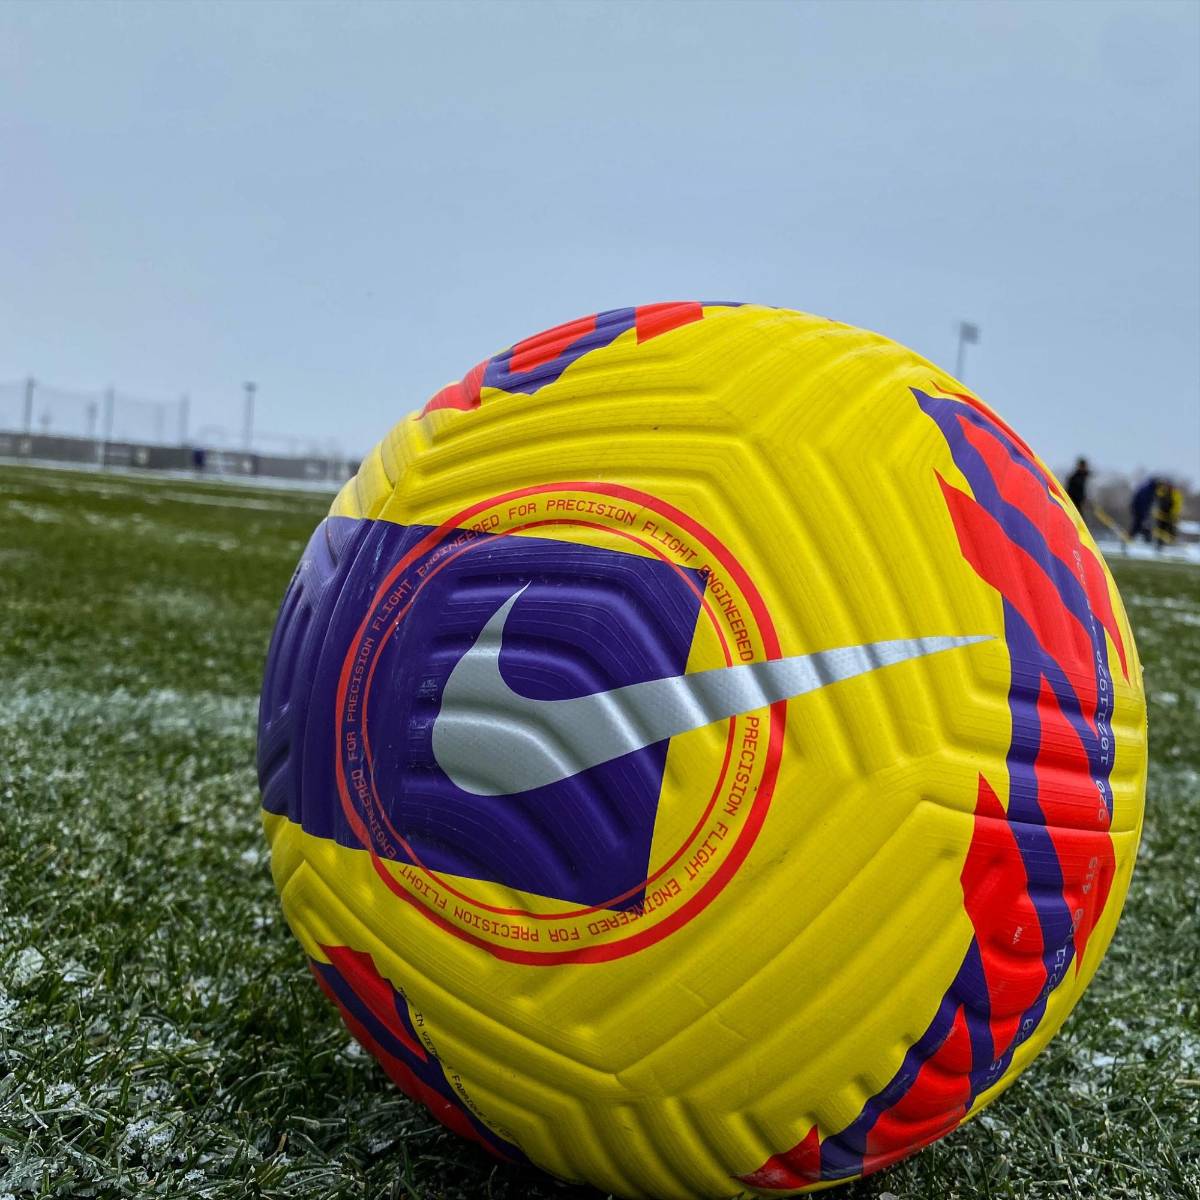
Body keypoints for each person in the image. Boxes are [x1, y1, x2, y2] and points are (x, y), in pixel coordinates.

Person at [1153, 480, 1182, 550]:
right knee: (1160, 530)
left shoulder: (1175, 494)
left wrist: (1174, 515)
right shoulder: (1162, 492)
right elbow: (1157, 498)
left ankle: (1171, 543)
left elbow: (1177, 506)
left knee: (1171, 530)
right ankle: (1159, 545)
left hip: (1170, 516)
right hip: (1161, 515)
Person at [1129, 476, 1159, 542]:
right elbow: (1143, 503)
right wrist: (1145, 514)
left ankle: (1132, 538)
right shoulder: (1148, 491)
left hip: (1139, 509)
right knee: (1141, 524)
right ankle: (1147, 540)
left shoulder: (1148, 489)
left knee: (1139, 525)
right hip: (1140, 510)